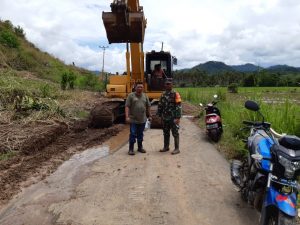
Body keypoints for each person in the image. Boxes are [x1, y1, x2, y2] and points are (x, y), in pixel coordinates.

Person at [125, 83, 152, 155]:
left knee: (140, 134)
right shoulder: (131, 95)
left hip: (142, 119)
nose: (140, 88)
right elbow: (127, 106)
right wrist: (127, 117)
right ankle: (131, 149)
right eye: (138, 87)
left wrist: (149, 115)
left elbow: (148, 106)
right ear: (135, 87)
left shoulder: (145, 96)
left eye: (141, 87)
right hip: (133, 119)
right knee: (133, 134)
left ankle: (140, 147)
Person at [157, 78, 182, 155]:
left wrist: (178, 117)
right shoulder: (163, 94)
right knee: (166, 132)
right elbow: (160, 105)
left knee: (175, 133)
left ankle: (177, 148)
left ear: (172, 85)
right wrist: (159, 116)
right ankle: (166, 147)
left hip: (173, 118)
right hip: (165, 117)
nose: (167, 85)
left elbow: (179, 106)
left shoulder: (175, 94)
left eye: (169, 84)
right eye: (166, 84)